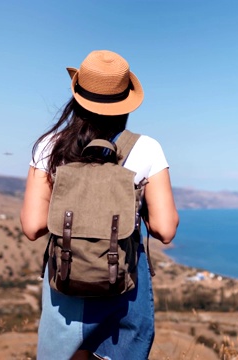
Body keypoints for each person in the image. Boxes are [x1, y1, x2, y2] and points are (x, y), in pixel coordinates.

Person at [20, 50, 179, 360]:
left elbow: (32, 226)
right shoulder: (146, 148)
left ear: (77, 95)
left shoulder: (50, 146)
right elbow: (165, 229)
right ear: (126, 102)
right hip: (123, 279)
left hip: (66, 279)